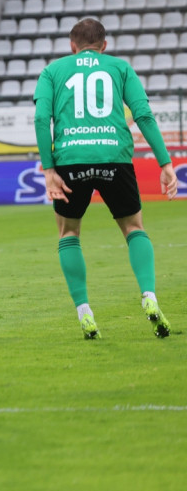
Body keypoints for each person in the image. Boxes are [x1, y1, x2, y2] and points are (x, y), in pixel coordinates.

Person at [33, 18, 177, 340]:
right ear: (104, 45)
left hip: (71, 160)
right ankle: (150, 297)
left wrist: (48, 170)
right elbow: (143, 115)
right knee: (134, 228)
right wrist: (165, 163)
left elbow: (42, 119)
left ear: (72, 46)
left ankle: (85, 314)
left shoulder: (52, 71)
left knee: (69, 233)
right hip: (115, 158)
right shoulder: (120, 68)